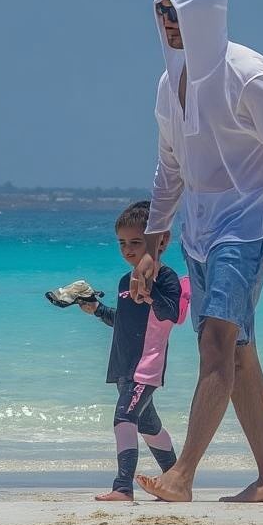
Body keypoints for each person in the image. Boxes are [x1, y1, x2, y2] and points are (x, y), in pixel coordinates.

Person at [130, 0, 263, 503]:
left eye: (176, 11)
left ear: (203, 14)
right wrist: (151, 246)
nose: (166, 21)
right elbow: (169, 169)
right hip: (199, 230)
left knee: (217, 340)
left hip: (250, 222)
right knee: (238, 350)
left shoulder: (248, 72)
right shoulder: (169, 85)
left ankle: (182, 474)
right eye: (161, 12)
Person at [77, 201, 187, 501]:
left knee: (124, 419)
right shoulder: (126, 281)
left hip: (144, 367)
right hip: (122, 366)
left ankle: (123, 487)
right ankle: (177, 480)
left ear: (160, 241)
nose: (128, 249)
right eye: (122, 243)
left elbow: (173, 314)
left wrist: (150, 293)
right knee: (150, 427)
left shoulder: (165, 278)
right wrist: (97, 310)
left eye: (136, 242)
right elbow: (123, 321)